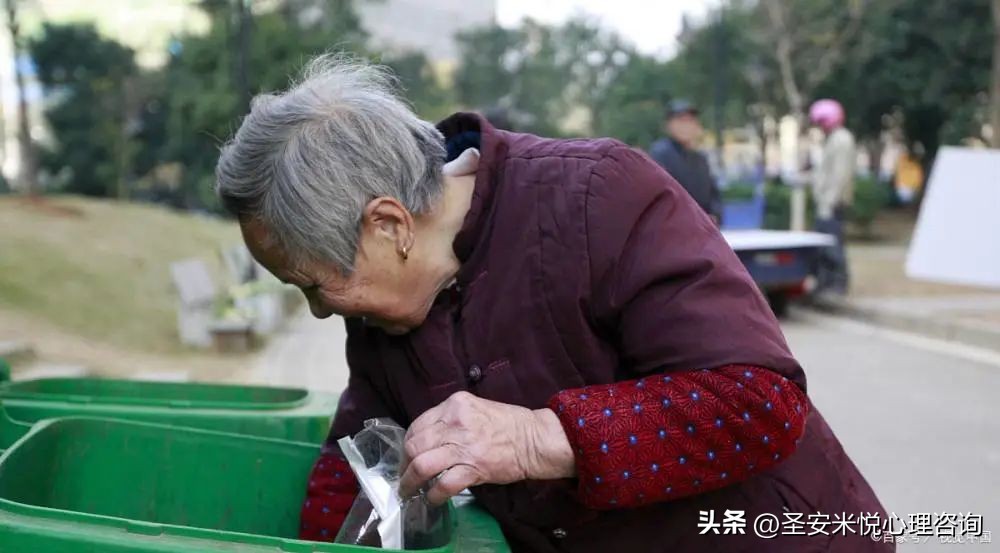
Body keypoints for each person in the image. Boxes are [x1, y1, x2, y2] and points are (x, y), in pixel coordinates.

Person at [215, 56, 891, 553]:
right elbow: (360, 461)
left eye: (313, 284)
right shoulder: (382, 318)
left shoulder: (599, 197)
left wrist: (536, 438)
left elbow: (760, 403)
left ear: (389, 225)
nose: (319, 311)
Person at [809, 99, 856, 295]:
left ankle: (837, 283)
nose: (820, 127)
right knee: (824, 244)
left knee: (832, 245)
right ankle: (825, 281)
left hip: (831, 203)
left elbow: (840, 174)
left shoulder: (841, 139)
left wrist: (829, 201)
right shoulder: (833, 139)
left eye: (821, 122)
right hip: (826, 202)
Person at [649, 99, 722, 223]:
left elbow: (713, 196)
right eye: (681, 121)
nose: (686, 126)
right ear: (668, 125)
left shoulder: (701, 159)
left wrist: (714, 216)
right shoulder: (660, 154)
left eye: (690, 121)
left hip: (702, 228)